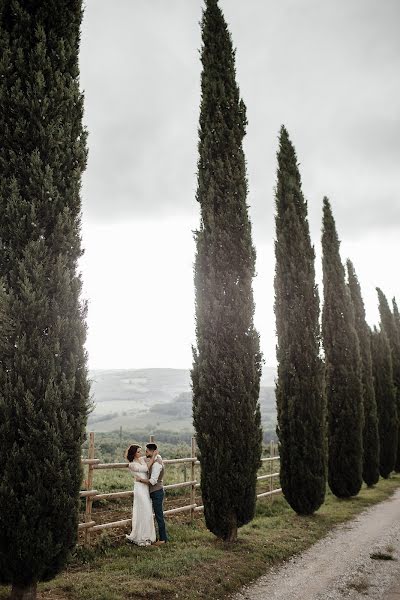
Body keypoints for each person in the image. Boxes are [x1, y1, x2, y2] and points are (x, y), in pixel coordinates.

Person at [137, 443, 168, 545]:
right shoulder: (156, 458)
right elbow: (145, 460)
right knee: (154, 515)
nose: (145, 453)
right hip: (154, 492)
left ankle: (163, 539)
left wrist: (141, 480)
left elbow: (153, 481)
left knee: (159, 515)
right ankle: (153, 536)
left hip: (156, 492)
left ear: (152, 451)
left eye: (146, 451)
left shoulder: (156, 464)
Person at [125, 444, 156, 546]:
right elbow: (145, 469)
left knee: (147, 511)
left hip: (145, 488)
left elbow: (147, 460)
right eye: (138, 452)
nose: (140, 453)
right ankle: (140, 537)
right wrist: (154, 457)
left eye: (140, 451)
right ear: (133, 453)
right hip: (139, 488)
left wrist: (154, 454)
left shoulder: (141, 460)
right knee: (143, 510)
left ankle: (147, 536)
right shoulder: (132, 464)